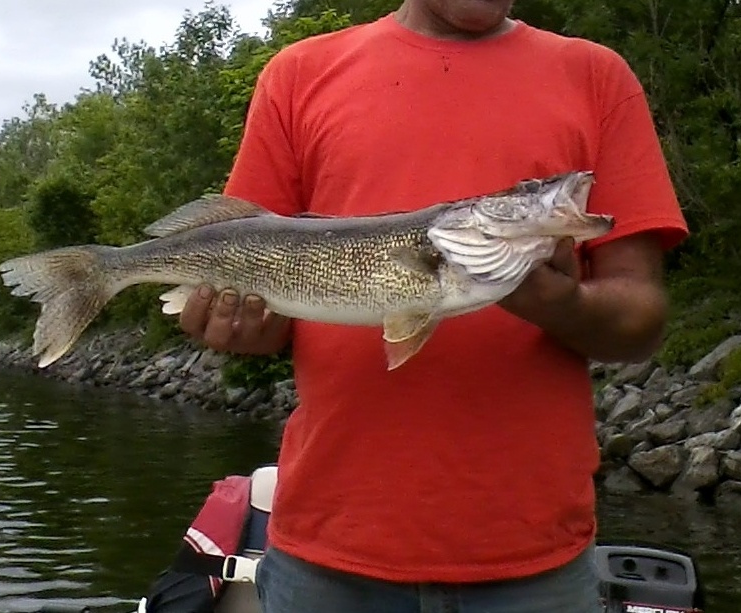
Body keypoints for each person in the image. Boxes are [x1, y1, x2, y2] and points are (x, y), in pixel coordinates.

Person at [179, 0, 689, 611]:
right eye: (527, 195)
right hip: (327, 553)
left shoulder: (596, 75)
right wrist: (237, 326)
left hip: (535, 560)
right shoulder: (299, 74)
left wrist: (557, 304)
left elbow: (639, 321)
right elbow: (262, 301)